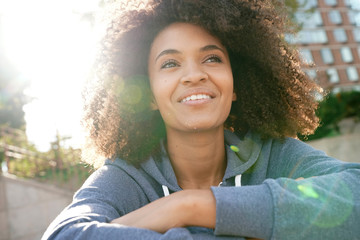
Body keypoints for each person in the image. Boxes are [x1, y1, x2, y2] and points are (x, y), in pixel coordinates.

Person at [42, 0, 360, 239]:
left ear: (237, 84)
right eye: (170, 64)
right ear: (149, 95)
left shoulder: (273, 155)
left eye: (212, 58)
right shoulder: (127, 176)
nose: (194, 75)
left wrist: (190, 207)